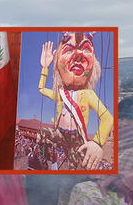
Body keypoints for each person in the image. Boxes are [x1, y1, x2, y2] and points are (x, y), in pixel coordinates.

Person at [39, 33, 113, 170]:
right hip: (60, 133)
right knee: (42, 133)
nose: (78, 55)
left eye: (86, 49)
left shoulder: (87, 95)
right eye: (68, 50)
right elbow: (42, 89)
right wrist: (45, 67)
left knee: (74, 166)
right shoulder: (61, 94)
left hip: (76, 139)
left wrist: (97, 142)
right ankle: (43, 164)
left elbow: (107, 117)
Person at [66, 131, 133, 205]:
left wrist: (119, 181)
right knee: (82, 187)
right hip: (117, 190)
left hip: (128, 200)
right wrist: (110, 180)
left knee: (89, 198)